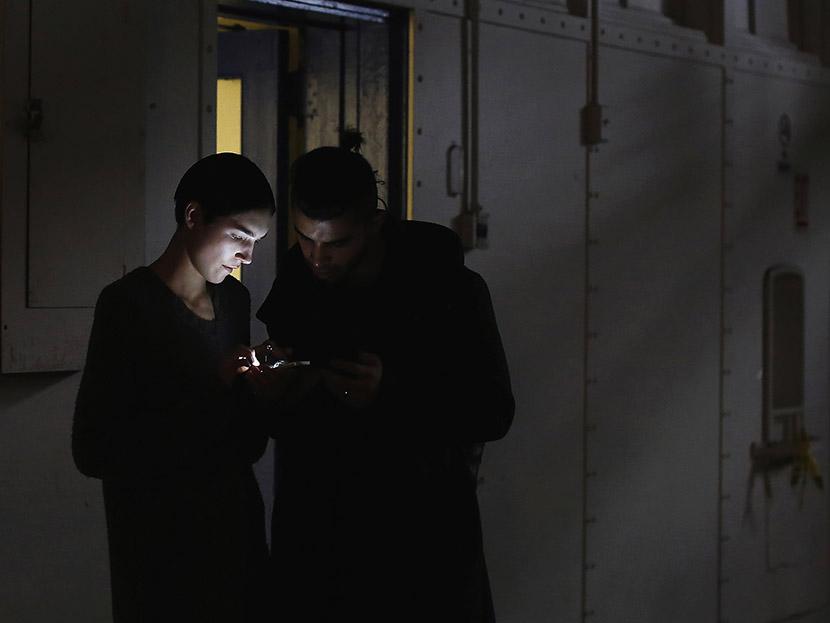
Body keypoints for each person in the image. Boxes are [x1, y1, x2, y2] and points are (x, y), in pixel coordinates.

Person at [256, 132, 515, 622]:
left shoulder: (447, 289)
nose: (318, 257)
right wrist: (271, 391)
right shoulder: (297, 286)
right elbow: (286, 413)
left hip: (419, 540)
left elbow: (494, 410)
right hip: (315, 542)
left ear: (375, 225)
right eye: (304, 237)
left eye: (336, 242)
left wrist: (389, 390)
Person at [72, 153, 277, 622]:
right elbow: (94, 449)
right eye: (241, 237)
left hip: (235, 539)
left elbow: (243, 446)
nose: (248, 256)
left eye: (256, 242)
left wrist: (259, 395)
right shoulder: (129, 306)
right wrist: (212, 394)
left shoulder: (234, 300)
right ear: (193, 215)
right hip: (160, 556)